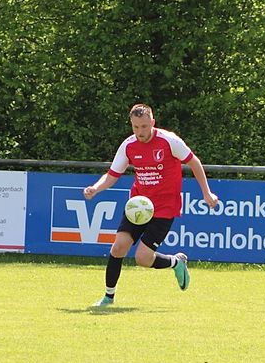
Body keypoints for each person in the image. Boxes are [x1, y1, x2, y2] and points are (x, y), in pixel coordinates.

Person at [83, 103, 219, 307]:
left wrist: (206, 193)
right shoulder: (128, 145)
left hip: (164, 208)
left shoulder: (169, 141)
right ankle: (108, 298)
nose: (140, 132)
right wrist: (96, 188)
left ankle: (176, 262)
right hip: (139, 206)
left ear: (153, 123)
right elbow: (112, 175)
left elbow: (194, 162)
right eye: (136, 127)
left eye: (144, 126)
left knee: (143, 258)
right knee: (118, 247)